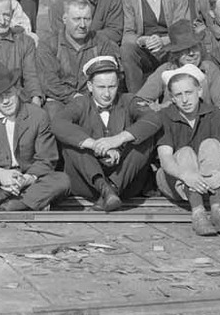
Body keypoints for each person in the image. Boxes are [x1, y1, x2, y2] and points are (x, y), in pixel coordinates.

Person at [51, 56, 160, 212]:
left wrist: (118, 139)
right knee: (72, 141)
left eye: (112, 86)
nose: (107, 94)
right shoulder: (80, 103)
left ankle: (112, 189)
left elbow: (153, 118)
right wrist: (95, 144)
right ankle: (105, 190)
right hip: (88, 185)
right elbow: (58, 123)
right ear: (89, 86)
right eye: (101, 87)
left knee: (144, 138)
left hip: (125, 183)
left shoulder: (128, 100)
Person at [0, 63, 69, 212]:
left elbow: (46, 159)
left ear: (16, 89)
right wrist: (0, 174)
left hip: (30, 182)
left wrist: (26, 179)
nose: (5, 101)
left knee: (62, 180)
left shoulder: (38, 115)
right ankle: (20, 205)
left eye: (8, 93)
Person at [133, 19, 220, 153]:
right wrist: (160, 108)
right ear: (175, 53)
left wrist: (204, 117)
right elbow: (138, 102)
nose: (191, 53)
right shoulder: (165, 70)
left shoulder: (209, 69)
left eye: (194, 47)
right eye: (185, 50)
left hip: (206, 126)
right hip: (174, 128)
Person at [153, 64, 220, 237]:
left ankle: (217, 208)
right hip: (176, 181)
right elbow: (166, 160)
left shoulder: (214, 114)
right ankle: (198, 212)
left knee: (212, 144)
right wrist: (186, 176)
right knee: (185, 152)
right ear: (173, 99)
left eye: (189, 93)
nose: (185, 100)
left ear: (199, 91)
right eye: (178, 95)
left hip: (210, 182)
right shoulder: (165, 116)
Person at [119, 0, 191, 93]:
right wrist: (143, 40)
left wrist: (163, 40)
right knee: (126, 50)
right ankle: (136, 99)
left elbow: (183, 30)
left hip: (171, 48)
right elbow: (127, 34)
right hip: (145, 51)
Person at [37, 0, 122, 116]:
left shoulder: (102, 43)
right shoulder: (49, 45)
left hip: (94, 99)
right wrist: (74, 97)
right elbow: (49, 82)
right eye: (77, 19)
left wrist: (88, 100)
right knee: (53, 111)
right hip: (61, 100)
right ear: (65, 19)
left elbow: (109, 76)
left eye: (87, 19)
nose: (82, 25)